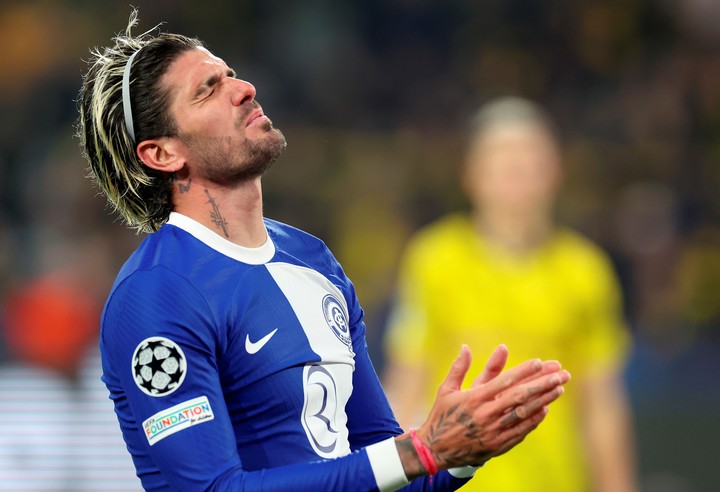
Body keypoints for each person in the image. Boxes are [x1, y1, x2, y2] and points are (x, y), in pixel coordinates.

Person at [76, 12, 570, 491]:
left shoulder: (312, 261)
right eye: (208, 90)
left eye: (230, 74)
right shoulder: (157, 294)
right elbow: (213, 490)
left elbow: (382, 464)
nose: (244, 88)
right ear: (162, 153)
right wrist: (422, 451)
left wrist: (462, 452)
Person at [384, 97, 637, 492]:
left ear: (555, 171)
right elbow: (405, 382)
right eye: (501, 156)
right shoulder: (433, 259)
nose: (516, 168)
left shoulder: (586, 271)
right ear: (470, 174)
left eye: (529, 156)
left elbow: (602, 406)